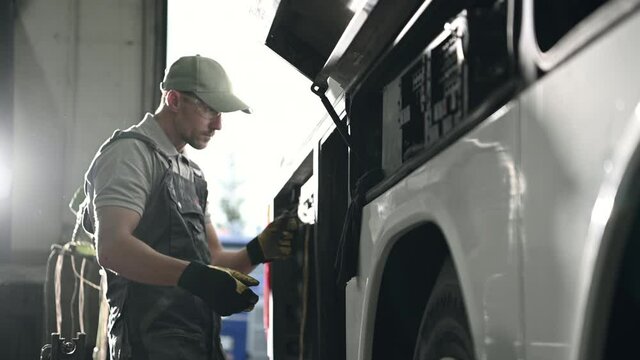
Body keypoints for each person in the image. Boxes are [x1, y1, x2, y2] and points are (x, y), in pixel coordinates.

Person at [82, 55, 300, 360]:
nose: (219, 124)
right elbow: (113, 248)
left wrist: (257, 251)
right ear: (174, 99)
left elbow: (212, 261)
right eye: (210, 109)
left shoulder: (191, 173)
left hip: (199, 343)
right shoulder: (129, 155)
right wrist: (195, 277)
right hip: (147, 346)